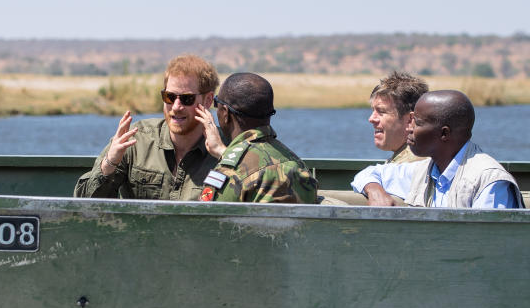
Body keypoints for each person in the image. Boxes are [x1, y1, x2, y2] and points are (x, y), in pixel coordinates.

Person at [73, 54, 219, 200]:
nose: (176, 107)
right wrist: (110, 163)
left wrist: (223, 154)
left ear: (208, 100)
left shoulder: (225, 150)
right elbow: (83, 204)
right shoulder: (135, 140)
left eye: (187, 99)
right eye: (169, 97)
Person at [350, 90, 524, 208]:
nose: (408, 128)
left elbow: (491, 248)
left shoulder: (489, 182)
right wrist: (374, 191)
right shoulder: (425, 171)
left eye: (417, 122)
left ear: (444, 134)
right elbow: (369, 174)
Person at [194, 72, 317, 203]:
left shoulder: (229, 174)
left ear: (225, 113)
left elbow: (205, 221)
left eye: (216, 103)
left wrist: (228, 160)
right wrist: (223, 152)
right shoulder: (297, 165)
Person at [368, 71, 429, 164]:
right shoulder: (423, 153)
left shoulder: (410, 165)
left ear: (410, 120)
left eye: (381, 111)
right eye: (373, 110)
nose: (371, 119)